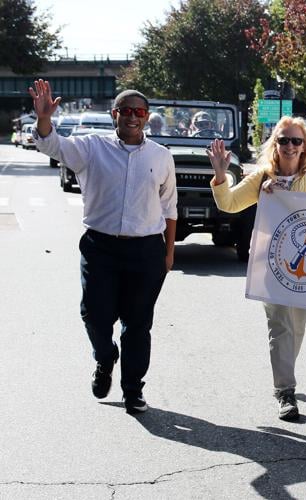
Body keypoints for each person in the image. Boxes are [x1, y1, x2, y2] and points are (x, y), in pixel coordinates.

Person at [28, 79, 177, 414]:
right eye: (126, 111)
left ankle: (133, 390)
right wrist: (43, 119)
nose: (133, 117)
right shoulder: (91, 148)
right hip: (100, 248)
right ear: (115, 114)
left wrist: (168, 253)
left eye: (139, 112)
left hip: (145, 251)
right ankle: (105, 356)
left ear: (147, 117)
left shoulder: (161, 156)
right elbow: (51, 145)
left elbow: (169, 207)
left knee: (138, 324)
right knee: (95, 314)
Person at [207, 116, 306, 421]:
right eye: (283, 140)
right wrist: (220, 174)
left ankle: (286, 370)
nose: (290, 146)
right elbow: (228, 204)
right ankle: (286, 391)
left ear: (304, 147)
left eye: (296, 141)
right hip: (272, 263)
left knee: (298, 325)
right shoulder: (261, 177)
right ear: (275, 144)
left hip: (304, 267)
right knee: (281, 324)